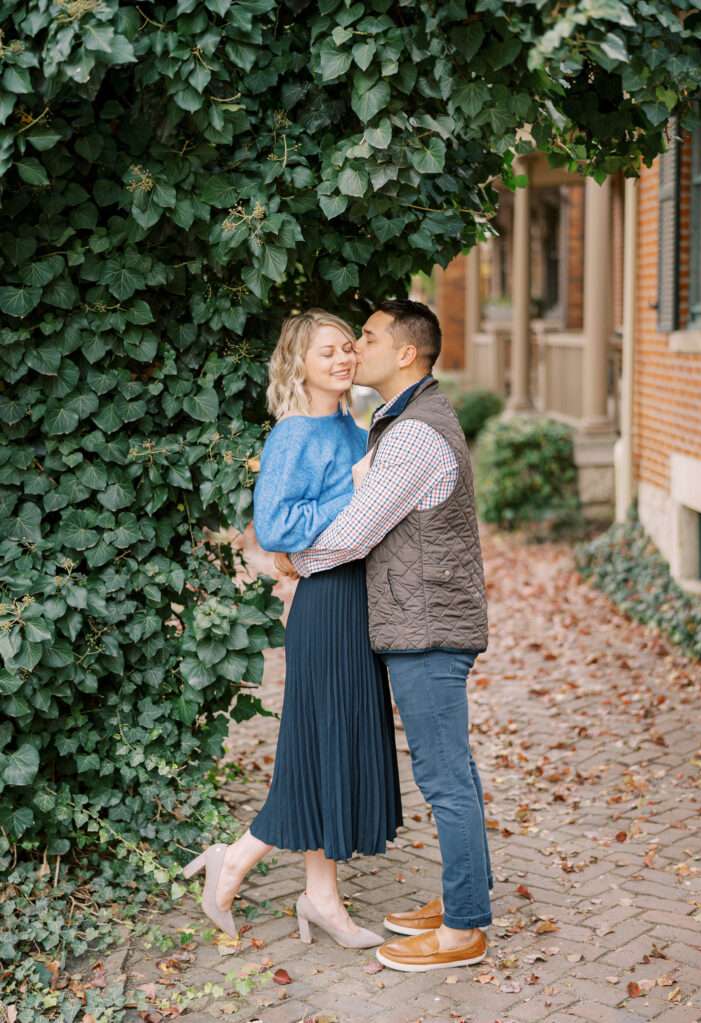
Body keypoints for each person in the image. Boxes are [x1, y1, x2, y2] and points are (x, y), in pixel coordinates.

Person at [284, 300, 494, 973]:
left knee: (444, 776)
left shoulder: (410, 435)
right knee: (453, 769)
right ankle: (466, 895)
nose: (357, 348)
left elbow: (353, 532)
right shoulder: (407, 417)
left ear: (406, 353)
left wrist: (292, 558)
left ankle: (464, 927)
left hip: (427, 627)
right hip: (426, 620)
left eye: (368, 338)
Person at [182, 309, 402, 949]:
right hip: (326, 605)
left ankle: (321, 898)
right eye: (327, 351)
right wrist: (356, 490)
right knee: (316, 747)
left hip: (353, 597)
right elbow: (276, 529)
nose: (342, 359)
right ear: (298, 363)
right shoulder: (293, 436)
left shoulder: (346, 423)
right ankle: (236, 861)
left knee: (327, 746)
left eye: (346, 349)